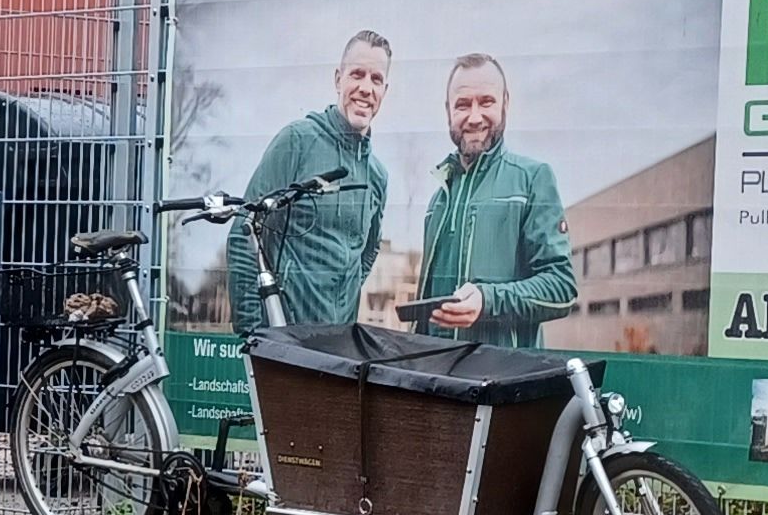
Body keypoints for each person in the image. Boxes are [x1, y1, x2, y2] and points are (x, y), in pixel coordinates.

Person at [229, 31, 392, 332]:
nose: (366, 88)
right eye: (357, 74)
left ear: (384, 90)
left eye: (376, 79)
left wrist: (343, 293)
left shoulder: (378, 176)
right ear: (338, 79)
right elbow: (244, 232)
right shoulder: (297, 141)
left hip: (338, 347)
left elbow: (367, 251)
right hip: (283, 342)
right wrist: (252, 332)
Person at [415, 53, 577, 348]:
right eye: (463, 104)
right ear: (448, 110)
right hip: (438, 381)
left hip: (504, 383)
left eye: (486, 102)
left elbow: (562, 287)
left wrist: (488, 300)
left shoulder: (532, 179)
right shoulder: (437, 202)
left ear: (505, 104)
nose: (474, 117)